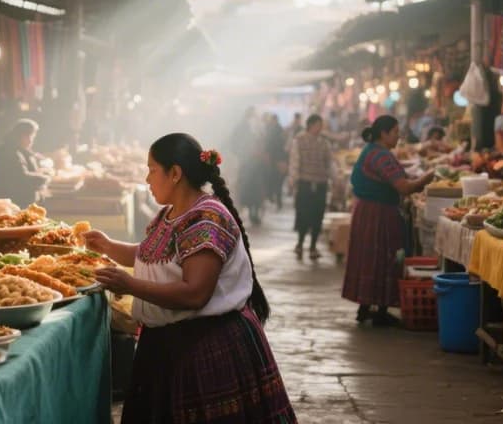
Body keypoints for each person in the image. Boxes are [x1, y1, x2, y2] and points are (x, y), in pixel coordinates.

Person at [84, 134, 296, 423]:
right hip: (166, 345)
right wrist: (108, 246)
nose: (147, 179)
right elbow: (153, 255)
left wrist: (129, 284)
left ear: (175, 173)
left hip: (204, 346)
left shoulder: (205, 219)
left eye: (152, 169)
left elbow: (195, 293)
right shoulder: (170, 214)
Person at [342, 116, 434, 326]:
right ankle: (379, 311)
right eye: (395, 132)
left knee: (370, 259)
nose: (398, 135)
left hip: (369, 211)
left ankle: (366, 308)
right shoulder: (380, 155)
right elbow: (403, 187)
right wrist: (427, 178)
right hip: (377, 213)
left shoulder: (374, 151)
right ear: (383, 134)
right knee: (383, 258)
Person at [288, 114, 334, 260]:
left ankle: (313, 246)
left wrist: (335, 179)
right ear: (310, 125)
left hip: (321, 184)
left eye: (321, 125)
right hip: (304, 184)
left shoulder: (324, 143)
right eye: (318, 125)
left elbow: (329, 163)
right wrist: (293, 180)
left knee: (317, 215)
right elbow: (295, 161)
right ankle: (300, 244)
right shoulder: (299, 140)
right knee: (303, 214)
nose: (320, 128)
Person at [0, 119, 51, 208]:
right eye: (28, 136)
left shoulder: (20, 150)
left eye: (32, 137)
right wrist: (45, 178)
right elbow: (21, 178)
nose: (30, 140)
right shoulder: (9, 152)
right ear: (19, 135)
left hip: (19, 201)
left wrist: (41, 172)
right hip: (12, 203)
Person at [263, 114, 288, 211]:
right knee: (278, 182)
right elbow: (284, 146)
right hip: (279, 160)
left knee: (273, 180)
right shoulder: (280, 130)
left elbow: (267, 146)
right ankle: (278, 201)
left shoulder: (269, 130)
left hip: (273, 160)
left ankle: (272, 197)